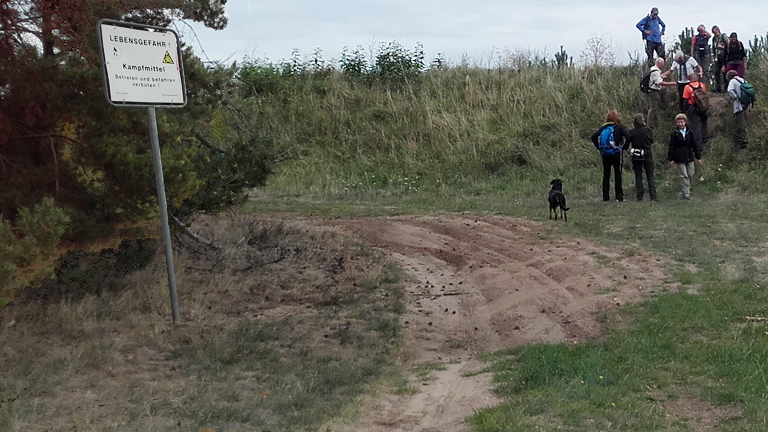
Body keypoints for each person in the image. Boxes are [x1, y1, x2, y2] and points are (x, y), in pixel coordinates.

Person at [591, 110, 630, 202]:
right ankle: (619, 196)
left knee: (606, 175)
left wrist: (599, 147)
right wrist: (624, 147)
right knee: (618, 174)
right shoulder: (620, 127)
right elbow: (628, 136)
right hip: (616, 153)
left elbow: (593, 137)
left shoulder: (604, 127)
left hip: (605, 154)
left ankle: (605, 197)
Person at [668, 113, 702, 200]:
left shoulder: (690, 132)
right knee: (684, 175)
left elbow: (694, 145)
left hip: (689, 156)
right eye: (678, 122)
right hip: (679, 157)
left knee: (690, 173)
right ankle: (686, 193)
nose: (680, 124)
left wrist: (698, 157)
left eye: (681, 122)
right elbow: (671, 147)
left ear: (685, 122)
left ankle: (687, 188)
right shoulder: (674, 134)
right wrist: (671, 158)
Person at [627, 113, 657, 201]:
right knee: (650, 175)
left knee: (638, 175)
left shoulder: (632, 131)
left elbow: (627, 143)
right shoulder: (647, 130)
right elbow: (651, 140)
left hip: (636, 154)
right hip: (647, 153)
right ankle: (653, 195)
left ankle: (640, 196)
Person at [681, 72, 709, 152]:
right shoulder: (702, 85)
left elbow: (685, 100)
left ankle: (698, 148)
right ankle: (705, 139)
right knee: (704, 123)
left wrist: (684, 111)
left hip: (692, 107)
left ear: (689, 79)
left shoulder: (687, 87)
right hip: (702, 107)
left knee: (695, 126)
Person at [726, 70, 749, 149]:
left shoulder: (732, 81)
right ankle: (744, 139)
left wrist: (735, 97)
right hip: (746, 104)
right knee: (745, 121)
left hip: (738, 105)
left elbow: (729, 90)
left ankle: (743, 141)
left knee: (740, 123)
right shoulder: (743, 80)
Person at [647, 57, 669, 130]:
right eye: (662, 63)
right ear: (659, 63)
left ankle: (665, 105)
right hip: (653, 91)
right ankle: (650, 125)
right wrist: (672, 83)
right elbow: (659, 83)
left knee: (664, 90)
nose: (663, 65)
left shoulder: (654, 69)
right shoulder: (655, 71)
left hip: (655, 90)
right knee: (653, 108)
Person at [711, 25, 728, 92]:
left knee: (724, 72)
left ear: (718, 30)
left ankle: (726, 87)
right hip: (717, 57)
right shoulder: (714, 38)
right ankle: (718, 87)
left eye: (715, 32)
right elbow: (713, 48)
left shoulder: (723, 36)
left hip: (724, 57)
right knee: (716, 72)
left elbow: (728, 45)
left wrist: (722, 47)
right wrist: (713, 55)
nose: (714, 33)